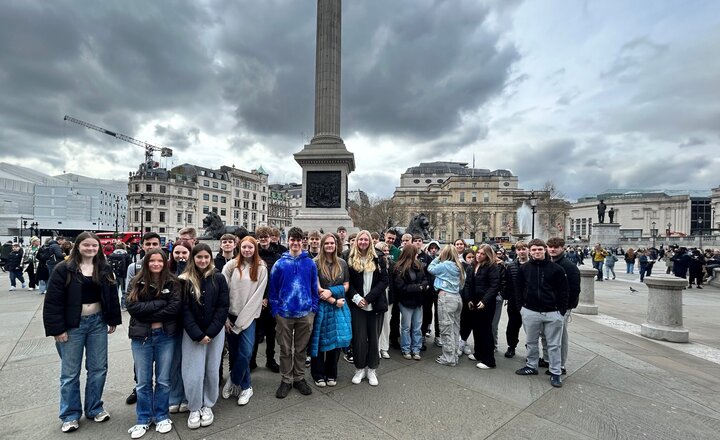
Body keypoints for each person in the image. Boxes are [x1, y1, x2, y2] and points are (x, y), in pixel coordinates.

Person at [42, 232, 122, 433]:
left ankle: (95, 408)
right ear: (78, 246)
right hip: (72, 325)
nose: (91, 249)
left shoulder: (103, 268)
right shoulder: (64, 269)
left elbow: (112, 294)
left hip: (97, 322)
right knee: (70, 373)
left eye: (94, 246)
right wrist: (57, 329)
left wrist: (113, 319)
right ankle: (70, 414)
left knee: (98, 368)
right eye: (87, 245)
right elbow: (52, 301)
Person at [126, 248, 182, 439]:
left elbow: (174, 309)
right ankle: (143, 418)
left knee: (163, 380)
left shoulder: (173, 282)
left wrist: (147, 311)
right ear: (146, 262)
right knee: (143, 382)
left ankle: (161, 415)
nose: (156, 264)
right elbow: (133, 307)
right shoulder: (136, 281)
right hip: (142, 337)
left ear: (165, 262)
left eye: (160, 260)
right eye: (152, 261)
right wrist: (160, 304)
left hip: (165, 335)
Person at [180, 243, 229, 429]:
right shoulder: (184, 279)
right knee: (193, 372)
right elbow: (183, 309)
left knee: (211, 370)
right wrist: (198, 334)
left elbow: (223, 306)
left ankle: (208, 405)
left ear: (210, 258)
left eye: (206, 257)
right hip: (192, 334)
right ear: (193, 258)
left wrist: (210, 332)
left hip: (214, 333)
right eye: (199, 257)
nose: (203, 260)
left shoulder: (218, 278)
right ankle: (194, 406)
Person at [268, 227, 318, 398]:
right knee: (285, 349)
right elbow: (272, 290)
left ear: (302, 242)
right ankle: (286, 379)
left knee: (301, 348)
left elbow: (314, 287)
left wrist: (313, 309)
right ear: (287, 241)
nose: (295, 243)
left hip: (305, 313)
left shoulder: (310, 263)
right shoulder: (279, 264)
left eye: (298, 240)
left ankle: (299, 377)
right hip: (284, 314)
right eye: (292, 240)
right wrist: (276, 311)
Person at [514, 239, 569, 388]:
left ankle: (555, 372)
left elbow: (564, 291)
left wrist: (561, 311)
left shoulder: (556, 269)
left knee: (554, 345)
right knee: (531, 342)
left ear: (544, 250)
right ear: (530, 251)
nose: (536, 252)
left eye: (539, 249)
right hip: (530, 310)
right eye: (534, 250)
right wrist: (521, 308)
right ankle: (531, 366)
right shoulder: (524, 268)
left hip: (553, 312)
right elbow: (518, 289)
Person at [222, 236, 268, 406]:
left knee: (246, 353)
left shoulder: (261, 268)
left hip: (248, 317)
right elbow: (223, 293)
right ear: (239, 248)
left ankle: (234, 380)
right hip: (231, 317)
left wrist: (242, 321)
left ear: (255, 249)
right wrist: (225, 318)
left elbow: (258, 296)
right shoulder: (230, 266)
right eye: (244, 247)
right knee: (235, 353)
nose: (247, 250)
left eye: (250, 247)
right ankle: (246, 386)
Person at [345, 230, 389, 386]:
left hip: (375, 304)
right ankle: (359, 368)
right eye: (360, 239)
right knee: (359, 339)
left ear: (370, 241)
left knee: (374, 339)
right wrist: (357, 298)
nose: (363, 242)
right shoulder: (349, 258)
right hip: (357, 305)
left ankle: (372, 369)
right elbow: (347, 282)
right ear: (356, 241)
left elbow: (384, 281)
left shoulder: (379, 258)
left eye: (366, 239)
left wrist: (368, 299)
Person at [309, 233, 351, 387]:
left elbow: (346, 284)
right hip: (322, 306)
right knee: (319, 340)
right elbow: (317, 288)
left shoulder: (342, 263)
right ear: (322, 245)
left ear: (336, 245)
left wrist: (332, 292)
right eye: (326, 243)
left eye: (332, 243)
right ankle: (318, 373)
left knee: (336, 340)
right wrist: (333, 300)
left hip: (339, 306)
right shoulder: (314, 263)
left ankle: (332, 373)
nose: (329, 246)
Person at [543, 237, 581, 375]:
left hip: (561, 308)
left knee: (560, 336)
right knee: (547, 335)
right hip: (548, 306)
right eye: (550, 247)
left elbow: (575, 290)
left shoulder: (569, 266)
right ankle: (548, 359)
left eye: (556, 247)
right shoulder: (548, 263)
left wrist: (565, 308)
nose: (552, 249)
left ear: (562, 248)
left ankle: (560, 365)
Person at [462, 244, 500, 369]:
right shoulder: (472, 266)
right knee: (476, 329)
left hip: (486, 303)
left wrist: (485, 300)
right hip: (474, 301)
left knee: (485, 330)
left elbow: (494, 286)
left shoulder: (492, 267)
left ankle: (489, 360)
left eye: (482, 253)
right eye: (478, 252)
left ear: (487, 255)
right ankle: (478, 353)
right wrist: (468, 299)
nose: (479, 255)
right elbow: (467, 284)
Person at [250, 226, 282, 373]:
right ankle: (252, 360)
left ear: (270, 238)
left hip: (272, 298)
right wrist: (260, 298)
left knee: (271, 332)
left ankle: (270, 360)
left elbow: (276, 279)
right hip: (255, 298)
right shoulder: (253, 254)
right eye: (261, 238)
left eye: (266, 237)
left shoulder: (277, 255)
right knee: (256, 332)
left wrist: (268, 297)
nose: (263, 240)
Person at [428, 245, 465, 367]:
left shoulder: (445, 265)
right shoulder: (459, 266)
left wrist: (438, 258)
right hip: (457, 297)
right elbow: (462, 285)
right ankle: (453, 355)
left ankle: (448, 358)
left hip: (446, 298)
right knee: (455, 328)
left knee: (445, 328)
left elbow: (430, 269)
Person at [393, 245, 428, 361]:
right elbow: (401, 287)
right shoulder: (399, 268)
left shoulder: (418, 265)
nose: (418, 254)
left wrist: (421, 286)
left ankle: (416, 349)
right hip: (406, 301)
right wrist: (419, 287)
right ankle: (406, 349)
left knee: (417, 327)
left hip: (418, 301)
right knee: (406, 327)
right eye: (416, 253)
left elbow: (425, 279)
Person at [503, 241, 528, 358]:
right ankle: (511, 346)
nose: (522, 251)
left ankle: (531, 350)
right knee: (512, 325)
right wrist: (505, 296)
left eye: (524, 249)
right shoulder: (511, 266)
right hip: (513, 301)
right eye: (519, 249)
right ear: (516, 251)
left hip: (530, 302)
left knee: (531, 329)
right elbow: (507, 283)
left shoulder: (534, 265)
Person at [108, 242, 133, 310]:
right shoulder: (126, 255)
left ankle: (114, 305)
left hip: (113, 275)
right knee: (124, 291)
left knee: (114, 291)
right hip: (123, 275)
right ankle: (123, 305)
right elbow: (130, 266)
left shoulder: (111, 255)